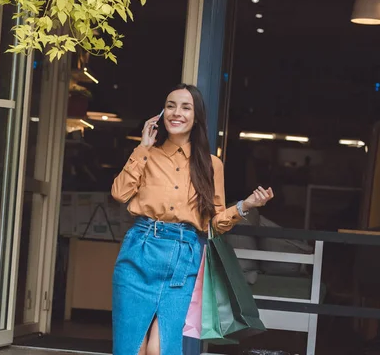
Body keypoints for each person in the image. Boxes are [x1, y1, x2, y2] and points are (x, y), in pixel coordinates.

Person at [111, 84, 274, 355]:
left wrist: (246, 205)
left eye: (185, 107)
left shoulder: (211, 165)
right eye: (171, 105)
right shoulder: (146, 156)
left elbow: (215, 223)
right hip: (139, 251)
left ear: (196, 117)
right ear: (162, 113)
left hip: (182, 259)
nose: (176, 113)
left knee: (161, 349)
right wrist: (141, 147)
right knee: (130, 348)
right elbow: (119, 193)